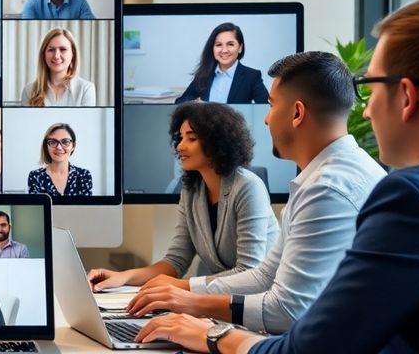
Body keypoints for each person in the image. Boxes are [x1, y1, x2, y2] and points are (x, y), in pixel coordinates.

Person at [134, 0, 419, 353]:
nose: (368, 110)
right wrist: (188, 298)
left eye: (370, 89)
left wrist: (209, 332)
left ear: (406, 96)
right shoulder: (319, 177)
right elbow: (267, 276)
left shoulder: (353, 189)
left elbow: (295, 323)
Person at [126, 52, 386, 334]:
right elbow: (265, 275)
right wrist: (186, 291)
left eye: (271, 106)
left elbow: (284, 312)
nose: (266, 119)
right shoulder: (324, 177)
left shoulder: (327, 189)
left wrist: (195, 307)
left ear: (297, 113)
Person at [89, 102, 278, 291]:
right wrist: (123, 277)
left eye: (191, 138)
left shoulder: (248, 187)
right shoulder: (191, 190)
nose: (180, 146)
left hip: (265, 302)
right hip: (224, 300)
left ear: (216, 142)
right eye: (180, 138)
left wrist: (180, 286)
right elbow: (175, 261)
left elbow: (249, 272)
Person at [175, 22, 269, 105]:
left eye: (230, 44)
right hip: (205, 125)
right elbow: (180, 102)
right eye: (219, 45)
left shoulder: (251, 76)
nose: (224, 50)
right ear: (213, 48)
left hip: (236, 125)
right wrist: (196, 105)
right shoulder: (204, 75)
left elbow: (265, 107)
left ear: (240, 47)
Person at [20, 27, 96, 106]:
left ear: (73, 54)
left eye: (63, 49)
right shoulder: (29, 91)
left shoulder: (86, 89)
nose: (56, 56)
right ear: (43, 55)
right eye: (51, 49)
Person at [27, 123, 94, 197]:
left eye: (65, 142)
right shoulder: (35, 176)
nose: (59, 147)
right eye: (53, 142)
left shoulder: (83, 176)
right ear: (46, 146)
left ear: (73, 146)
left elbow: (86, 208)